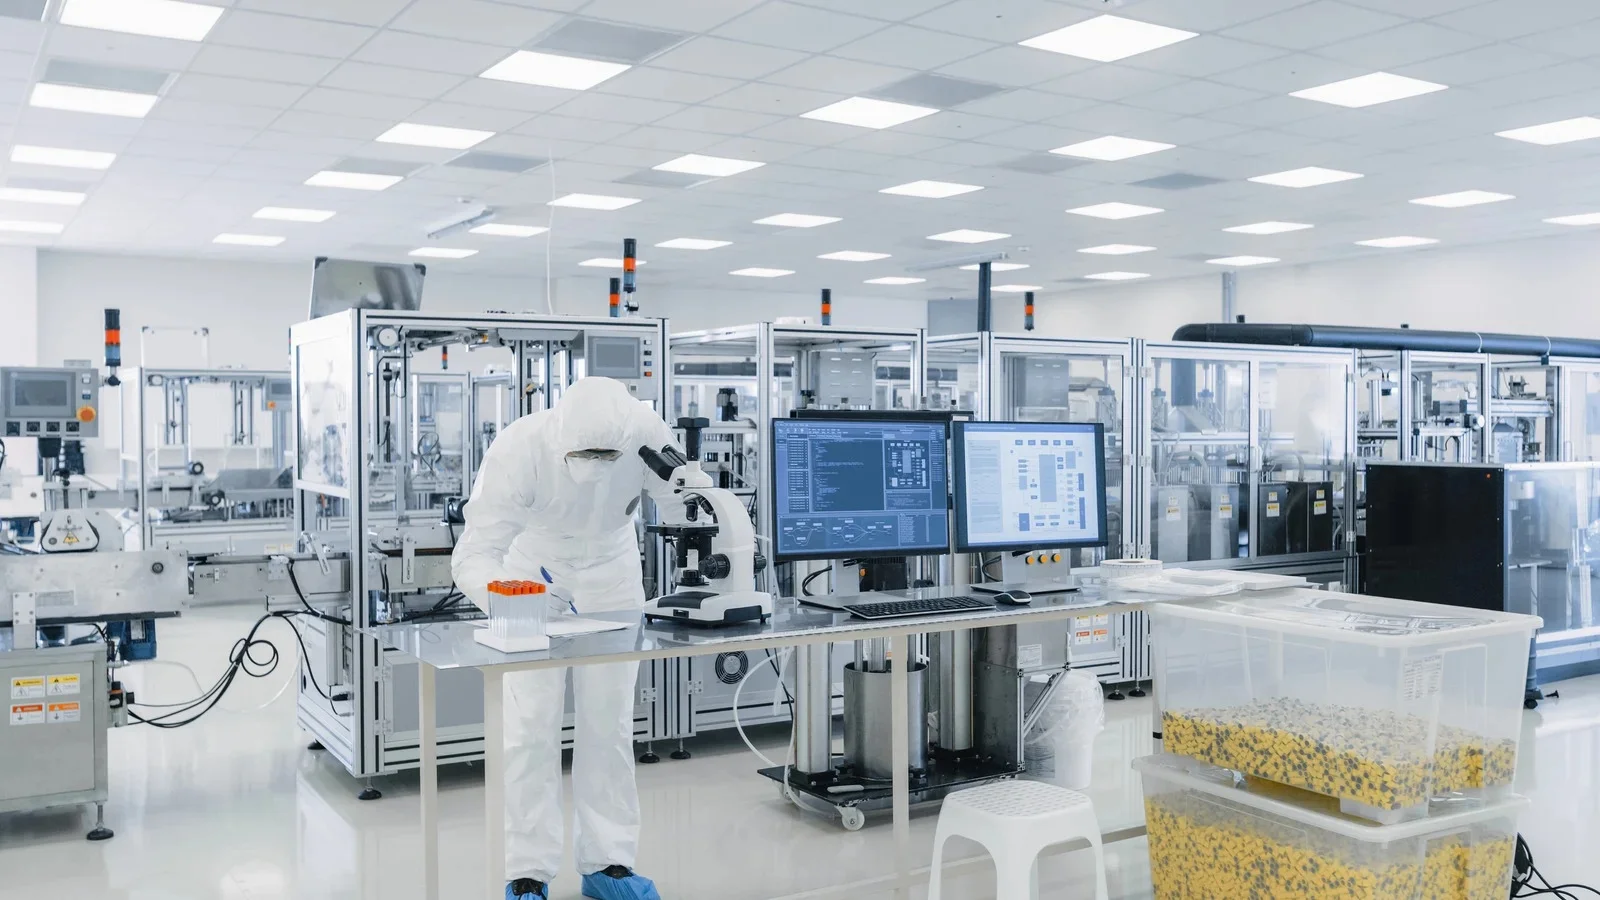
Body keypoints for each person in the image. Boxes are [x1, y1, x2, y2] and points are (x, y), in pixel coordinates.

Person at [453, 376, 678, 900]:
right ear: (559, 432)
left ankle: (609, 864)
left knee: (610, 725)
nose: (597, 465)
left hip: (614, 572)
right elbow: (473, 553)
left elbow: (688, 507)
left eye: (607, 454)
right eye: (585, 453)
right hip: (531, 572)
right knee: (530, 729)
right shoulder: (519, 447)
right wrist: (506, 593)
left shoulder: (646, 433)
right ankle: (527, 871)